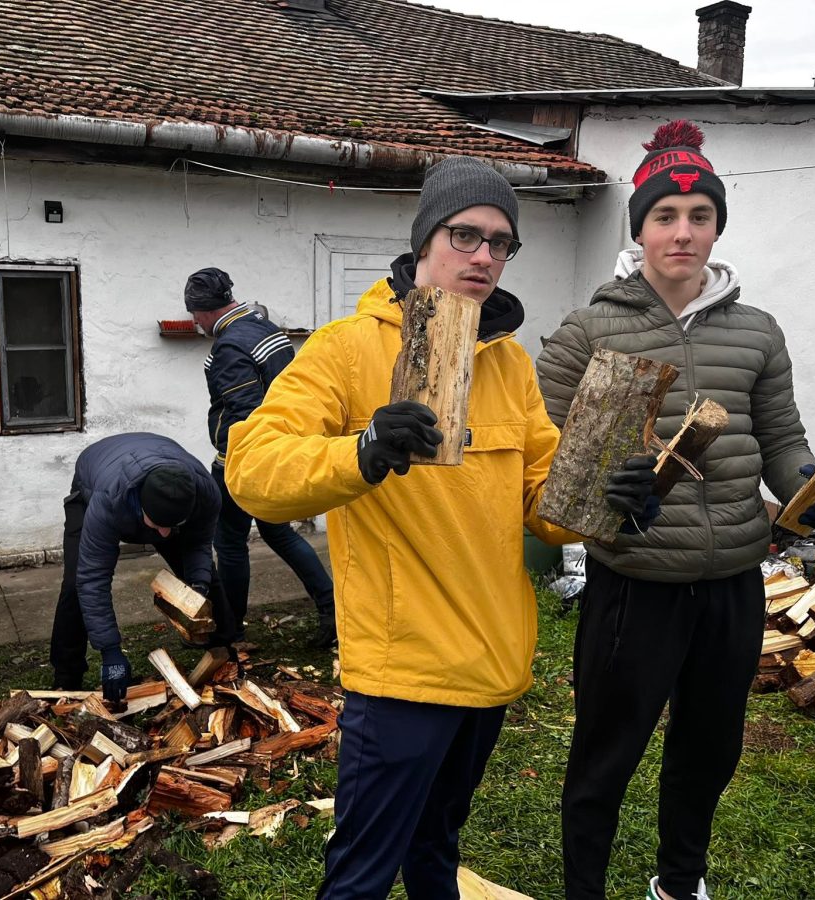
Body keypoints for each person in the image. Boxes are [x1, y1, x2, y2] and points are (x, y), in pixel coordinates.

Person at [224, 156, 580, 899]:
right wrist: (364, 451)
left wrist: (605, 497)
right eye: (466, 235)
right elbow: (253, 470)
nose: (484, 255)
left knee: (436, 848)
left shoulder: (509, 362)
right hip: (404, 673)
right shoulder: (346, 350)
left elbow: (541, 501)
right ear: (424, 243)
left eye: (502, 243)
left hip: (493, 663)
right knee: (361, 875)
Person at [536, 121, 815, 900]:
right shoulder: (590, 329)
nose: (684, 233)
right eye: (665, 218)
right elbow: (539, 448)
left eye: (700, 216)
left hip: (732, 581)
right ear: (639, 228)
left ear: (718, 226)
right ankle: (585, 887)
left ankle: (680, 881)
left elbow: (780, 439)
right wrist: (605, 487)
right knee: (606, 752)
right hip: (635, 580)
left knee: (709, 748)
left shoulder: (757, 332)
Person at [184, 267, 338, 648]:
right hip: (281, 446)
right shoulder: (264, 326)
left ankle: (230, 629)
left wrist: (233, 460)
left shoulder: (229, 346)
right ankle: (331, 607)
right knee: (277, 532)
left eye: (194, 315)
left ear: (203, 311)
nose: (194, 323)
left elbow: (244, 410)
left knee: (231, 541)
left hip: (245, 457)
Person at [49, 432, 225, 701]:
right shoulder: (108, 501)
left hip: (156, 457)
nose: (164, 536)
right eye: (157, 526)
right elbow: (93, 578)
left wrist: (197, 589)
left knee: (205, 579)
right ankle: (66, 675)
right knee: (75, 583)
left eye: (173, 527)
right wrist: (110, 652)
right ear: (141, 507)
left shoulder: (206, 494)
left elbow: (198, 546)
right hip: (95, 476)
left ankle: (224, 646)